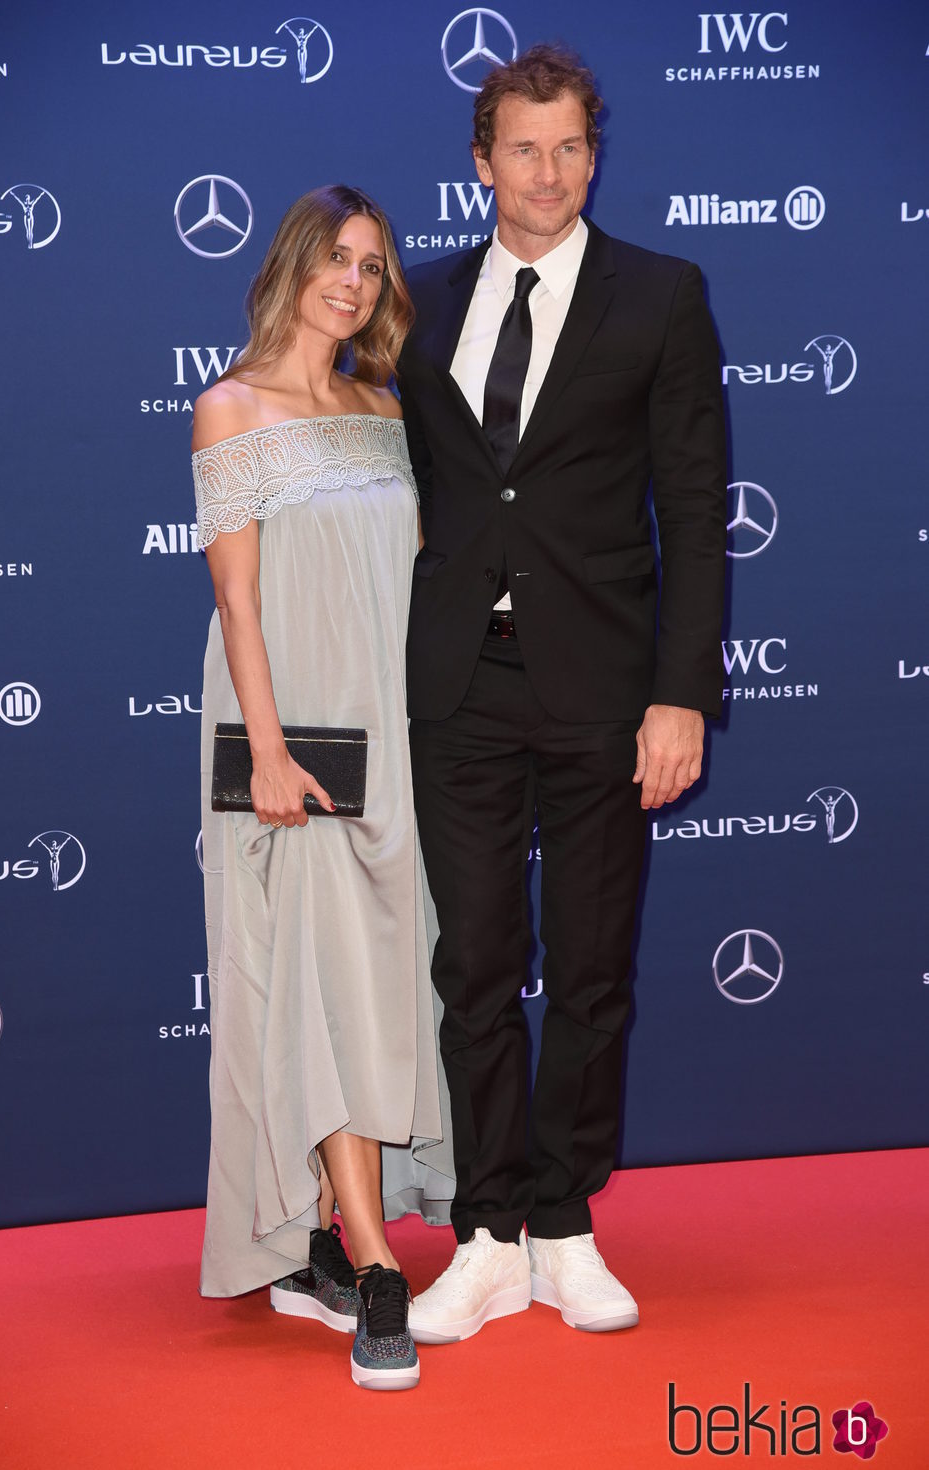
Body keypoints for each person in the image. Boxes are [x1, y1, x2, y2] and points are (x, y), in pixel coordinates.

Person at [398, 45, 727, 1342]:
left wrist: (681, 694)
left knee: (591, 968)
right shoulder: (416, 305)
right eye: (523, 148)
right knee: (474, 961)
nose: (548, 171)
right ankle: (484, 1231)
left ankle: (565, 1221)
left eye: (571, 147)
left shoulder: (662, 294)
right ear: (482, 161)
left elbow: (696, 512)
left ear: (596, 154)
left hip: (605, 686)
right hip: (459, 683)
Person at [191, 184, 445, 1391]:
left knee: (377, 978)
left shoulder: (385, 412)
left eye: (372, 265)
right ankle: (375, 1263)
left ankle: (319, 1239)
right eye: (335, 258)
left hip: (391, 743)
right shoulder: (229, 409)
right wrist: (271, 749)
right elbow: (237, 600)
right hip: (292, 742)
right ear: (293, 265)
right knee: (318, 986)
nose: (353, 281)